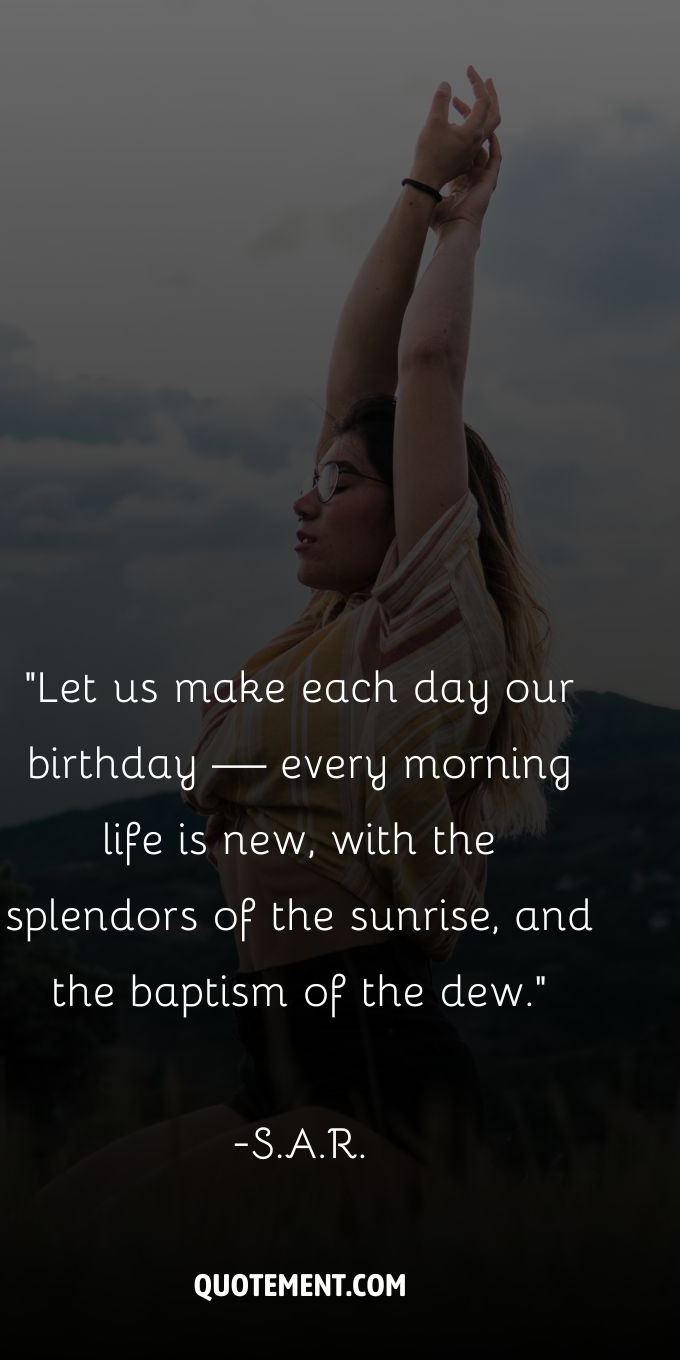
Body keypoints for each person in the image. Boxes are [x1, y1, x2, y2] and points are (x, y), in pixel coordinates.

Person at [33, 66, 570, 1231]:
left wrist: (461, 231)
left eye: (340, 484)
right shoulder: (325, 635)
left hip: (374, 1082)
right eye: (312, 479)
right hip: (274, 1068)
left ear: (416, 514)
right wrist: (417, 184)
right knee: (44, 1234)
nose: (305, 499)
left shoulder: (423, 631)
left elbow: (421, 370)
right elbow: (362, 377)